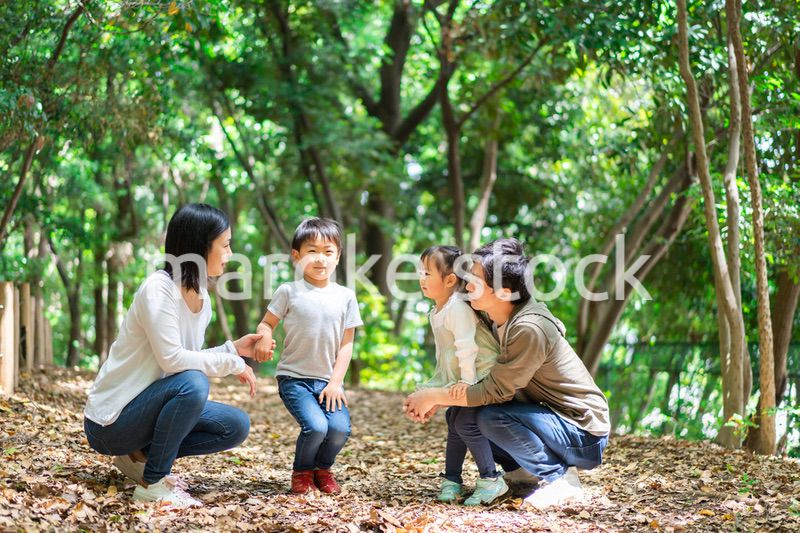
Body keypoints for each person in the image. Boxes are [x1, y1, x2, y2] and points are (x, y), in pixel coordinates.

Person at [83, 203, 271, 508]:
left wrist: (232, 349)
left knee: (235, 425)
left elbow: (186, 358)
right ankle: (153, 483)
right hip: (110, 423)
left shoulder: (201, 298)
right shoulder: (159, 290)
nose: (229, 253)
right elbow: (173, 361)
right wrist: (230, 362)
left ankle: (140, 456)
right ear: (199, 247)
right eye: (224, 245)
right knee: (194, 384)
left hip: (146, 409)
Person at [404, 238, 610, 509]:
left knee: (490, 416)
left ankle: (560, 480)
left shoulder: (528, 328)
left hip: (582, 431)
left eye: (475, 282)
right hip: (545, 416)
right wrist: (439, 398)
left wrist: (434, 396)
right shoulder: (494, 315)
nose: (466, 287)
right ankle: (523, 470)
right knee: (464, 415)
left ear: (503, 291)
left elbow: (493, 390)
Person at [253, 217, 362, 494]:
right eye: (312, 251)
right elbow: (266, 323)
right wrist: (265, 336)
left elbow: (346, 344)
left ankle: (322, 469)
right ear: (296, 256)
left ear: (337, 257)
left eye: (328, 252)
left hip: (328, 381)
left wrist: (336, 382)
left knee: (338, 429)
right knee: (315, 427)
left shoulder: (346, 296)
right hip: (294, 378)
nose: (320, 259)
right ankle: (302, 472)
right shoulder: (288, 291)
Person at [416, 245, 505, 505]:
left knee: (465, 422)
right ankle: (452, 479)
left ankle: (491, 479)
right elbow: (445, 355)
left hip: (482, 375)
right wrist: (438, 387)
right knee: (453, 418)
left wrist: (466, 383)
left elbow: (467, 347)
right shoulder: (437, 311)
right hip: (467, 376)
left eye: (427, 273)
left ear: (450, 280)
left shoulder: (457, 307)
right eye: (420, 272)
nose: (422, 279)